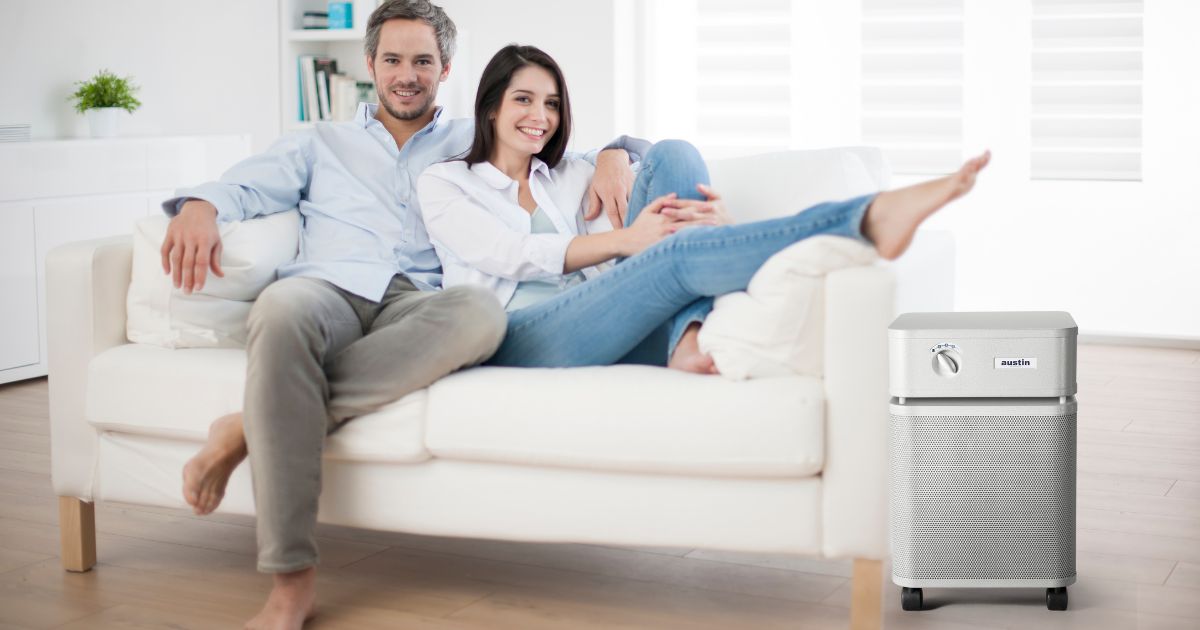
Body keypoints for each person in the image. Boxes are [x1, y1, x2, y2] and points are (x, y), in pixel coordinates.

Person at [164, 3, 643, 629]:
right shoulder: (318, 142)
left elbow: (553, 141)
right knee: (279, 310)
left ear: (445, 68)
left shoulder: (474, 138)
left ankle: (252, 422)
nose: (407, 74)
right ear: (370, 65)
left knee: (479, 314)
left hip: (420, 299)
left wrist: (617, 152)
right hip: (329, 288)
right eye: (393, 60)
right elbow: (243, 189)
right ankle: (290, 583)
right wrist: (199, 205)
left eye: (423, 61)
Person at [417, 44, 990, 371]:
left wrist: (618, 151)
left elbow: (654, 163)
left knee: (675, 153)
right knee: (669, 253)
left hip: (600, 318)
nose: (540, 117)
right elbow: (512, 253)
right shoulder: (446, 183)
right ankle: (862, 219)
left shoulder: (567, 172)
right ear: (490, 107)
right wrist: (625, 241)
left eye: (551, 104)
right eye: (523, 100)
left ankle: (683, 338)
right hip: (518, 335)